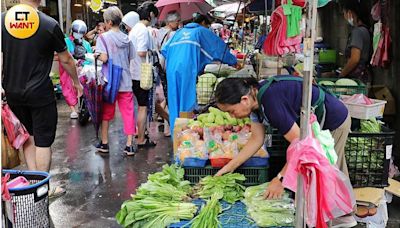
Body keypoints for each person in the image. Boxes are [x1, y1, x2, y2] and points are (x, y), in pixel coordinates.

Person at [214, 76, 357, 227]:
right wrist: (229, 167)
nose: (232, 116)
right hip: (313, 128)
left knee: (327, 172)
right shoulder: (256, 102)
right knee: (320, 174)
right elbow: (256, 139)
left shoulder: (270, 102)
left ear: (244, 100)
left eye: (231, 111)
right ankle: (334, 215)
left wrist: (280, 179)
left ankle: (342, 218)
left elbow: (301, 145)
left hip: (333, 122)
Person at [1, 0, 83, 197]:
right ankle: (42, 190)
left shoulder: (3, 21)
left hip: (12, 92)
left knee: (27, 137)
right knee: (43, 142)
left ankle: (32, 185)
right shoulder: (48, 24)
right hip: (39, 92)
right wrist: (76, 82)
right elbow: (66, 59)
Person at [161, 14, 237, 136]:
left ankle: (175, 135)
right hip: (187, 67)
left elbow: (164, 50)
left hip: (172, 68)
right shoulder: (200, 31)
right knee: (186, 101)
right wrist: (233, 60)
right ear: (202, 23)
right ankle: (185, 136)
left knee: (174, 100)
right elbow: (218, 47)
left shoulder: (179, 32)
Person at [95, 6, 137, 156]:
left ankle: (105, 143)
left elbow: (104, 58)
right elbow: (131, 57)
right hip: (125, 81)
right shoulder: (127, 38)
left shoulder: (103, 38)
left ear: (109, 22)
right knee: (128, 113)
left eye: (105, 21)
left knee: (106, 113)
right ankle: (129, 145)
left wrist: (96, 54)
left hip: (110, 83)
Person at [129, 2, 159, 148]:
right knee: (143, 107)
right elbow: (141, 52)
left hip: (134, 72)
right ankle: (141, 139)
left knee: (141, 106)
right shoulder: (143, 30)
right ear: (151, 15)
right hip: (142, 74)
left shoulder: (135, 29)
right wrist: (152, 51)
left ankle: (141, 133)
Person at [59, 19, 93, 119]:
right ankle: (73, 109)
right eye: (76, 32)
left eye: (81, 33)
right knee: (68, 88)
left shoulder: (86, 44)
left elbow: (89, 56)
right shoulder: (66, 41)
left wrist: (83, 64)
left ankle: (84, 107)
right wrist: (73, 62)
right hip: (68, 69)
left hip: (83, 70)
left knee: (85, 88)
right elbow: (64, 55)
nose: (78, 34)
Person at [339, 0, 371, 84]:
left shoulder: (358, 32)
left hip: (356, 78)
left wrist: (341, 76)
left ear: (350, 13)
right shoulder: (365, 29)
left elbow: (354, 59)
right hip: (363, 76)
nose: (345, 17)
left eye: (344, 13)